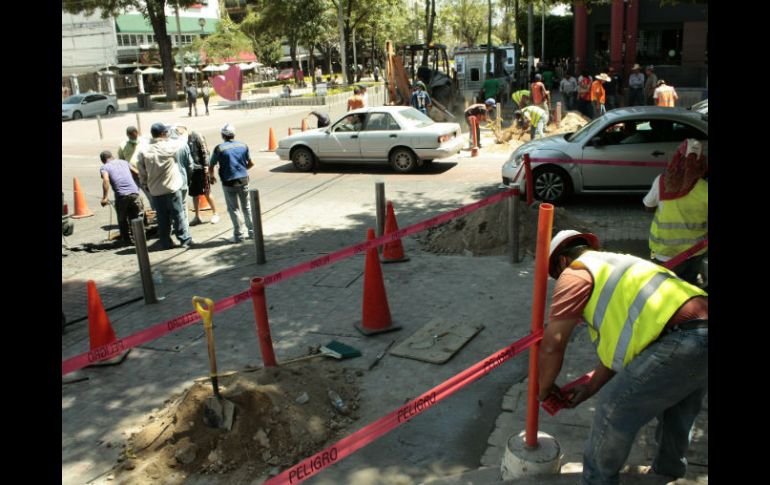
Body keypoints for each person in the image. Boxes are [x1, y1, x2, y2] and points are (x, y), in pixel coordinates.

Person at [539, 229, 707, 485]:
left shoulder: (575, 272)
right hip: (699, 330)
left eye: (555, 276)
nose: (558, 281)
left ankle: (597, 481)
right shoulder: (622, 265)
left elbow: (553, 344)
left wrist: (542, 389)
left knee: (612, 409)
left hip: (683, 337)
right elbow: (622, 348)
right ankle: (668, 472)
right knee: (679, 406)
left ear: (562, 262)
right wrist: (589, 388)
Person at [643, 138, 707, 285]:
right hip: (695, 252)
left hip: (665, 253)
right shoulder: (705, 189)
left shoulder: (662, 182)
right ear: (700, 162)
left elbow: (648, 207)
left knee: (662, 290)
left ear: (677, 158)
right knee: (688, 289)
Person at [136, 123, 193, 250]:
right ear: (163, 133)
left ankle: (166, 242)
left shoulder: (144, 150)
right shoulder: (169, 146)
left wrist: (145, 184)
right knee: (178, 214)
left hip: (155, 190)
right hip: (172, 187)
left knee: (162, 218)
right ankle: (184, 239)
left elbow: (141, 171)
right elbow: (183, 140)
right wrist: (181, 130)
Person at [209, 124, 255, 243]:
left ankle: (239, 236)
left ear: (223, 135)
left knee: (234, 209)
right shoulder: (243, 145)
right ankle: (252, 233)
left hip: (229, 182)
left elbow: (211, 165)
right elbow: (250, 163)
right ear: (234, 134)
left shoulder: (219, 148)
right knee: (247, 207)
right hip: (244, 180)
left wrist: (212, 176)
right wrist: (241, 169)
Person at [173, 125, 220, 226]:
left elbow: (205, 151)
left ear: (185, 130)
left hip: (201, 169)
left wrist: (206, 166)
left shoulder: (196, 136)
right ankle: (197, 216)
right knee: (194, 194)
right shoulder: (181, 140)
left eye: (181, 133)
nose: (180, 135)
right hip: (191, 170)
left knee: (207, 192)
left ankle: (215, 213)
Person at [99, 150, 143, 244]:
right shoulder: (124, 162)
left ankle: (127, 240)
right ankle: (138, 238)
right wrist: (137, 186)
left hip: (122, 196)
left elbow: (106, 180)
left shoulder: (105, 167)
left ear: (103, 160)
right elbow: (137, 173)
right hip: (134, 193)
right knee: (135, 216)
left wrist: (105, 197)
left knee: (122, 219)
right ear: (112, 156)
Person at [118, 126, 155, 212]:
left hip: (144, 174)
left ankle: (156, 212)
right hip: (131, 175)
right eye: (131, 136)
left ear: (137, 133)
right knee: (132, 195)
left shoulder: (144, 142)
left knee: (150, 195)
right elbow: (121, 161)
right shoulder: (123, 145)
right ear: (127, 135)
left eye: (134, 135)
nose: (133, 137)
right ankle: (135, 213)